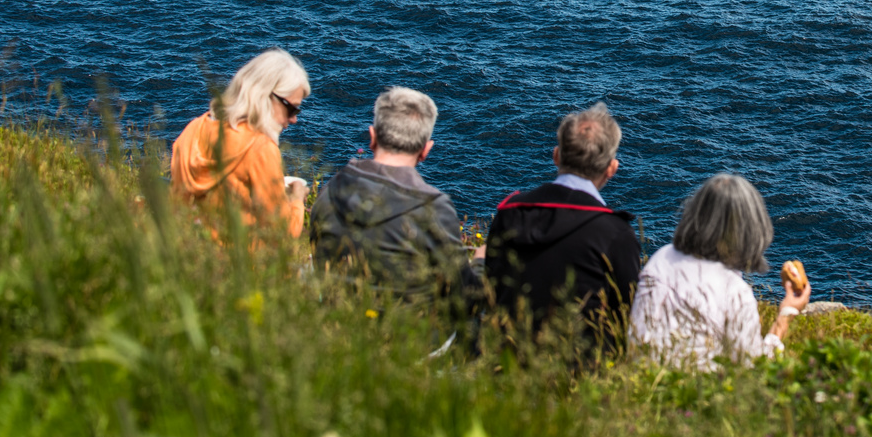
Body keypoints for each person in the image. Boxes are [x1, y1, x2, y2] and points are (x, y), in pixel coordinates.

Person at [484, 102, 640, 351]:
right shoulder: (615, 234)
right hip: (580, 376)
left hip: (506, 361)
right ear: (612, 168)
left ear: (556, 155)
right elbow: (627, 316)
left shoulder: (510, 212)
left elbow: (492, 286)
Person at [309, 87, 481, 303]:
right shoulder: (433, 208)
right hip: (406, 334)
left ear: (372, 137)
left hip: (333, 326)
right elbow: (466, 299)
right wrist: (480, 263)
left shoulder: (330, 191)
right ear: (425, 150)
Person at [629, 174, 810, 369]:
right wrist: (786, 313)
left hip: (639, 380)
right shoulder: (734, 291)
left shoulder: (660, 258)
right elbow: (754, 369)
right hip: (692, 394)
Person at [170, 48, 309, 238]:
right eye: (292, 109)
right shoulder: (260, 149)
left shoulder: (193, 130)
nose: (294, 120)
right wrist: (297, 199)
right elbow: (283, 232)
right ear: (266, 97)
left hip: (188, 253)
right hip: (240, 263)